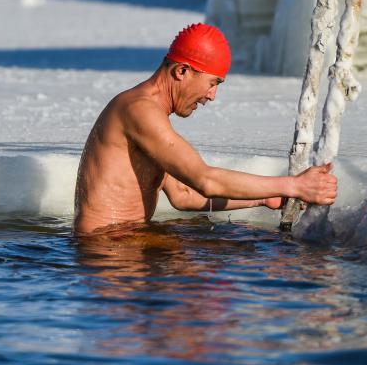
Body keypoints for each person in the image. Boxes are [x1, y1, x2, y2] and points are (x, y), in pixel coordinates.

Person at [73, 23, 338, 235]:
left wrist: (268, 197)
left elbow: (184, 194)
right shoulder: (139, 111)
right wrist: (295, 185)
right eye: (212, 83)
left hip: (124, 240)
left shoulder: (150, 116)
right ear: (182, 71)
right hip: (105, 250)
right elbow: (206, 181)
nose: (212, 96)